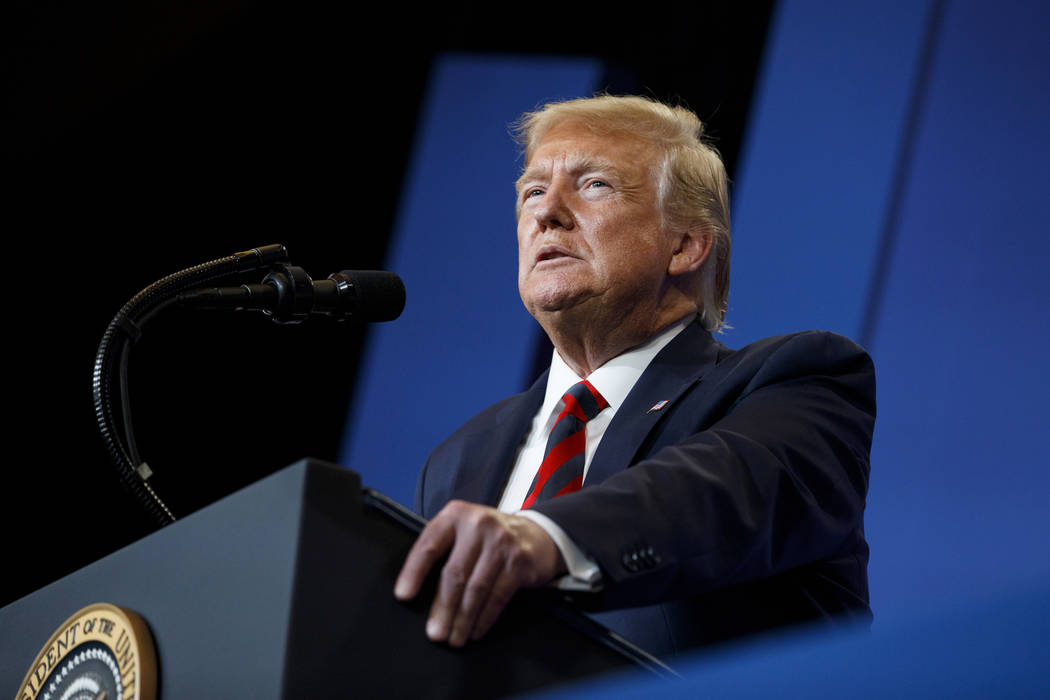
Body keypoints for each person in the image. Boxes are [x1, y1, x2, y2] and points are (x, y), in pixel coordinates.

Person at [394, 95, 875, 660]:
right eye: (532, 192)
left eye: (594, 184)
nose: (547, 212)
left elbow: (717, 493)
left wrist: (547, 537)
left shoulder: (796, 380)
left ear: (686, 244)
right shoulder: (458, 461)